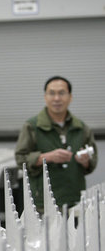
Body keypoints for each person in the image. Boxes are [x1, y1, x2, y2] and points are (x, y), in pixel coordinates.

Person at [15, 76, 98, 212]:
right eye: (52, 93)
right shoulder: (32, 126)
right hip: (43, 202)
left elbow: (92, 161)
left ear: (70, 97)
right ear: (45, 97)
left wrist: (85, 161)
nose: (57, 98)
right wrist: (46, 157)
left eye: (62, 93)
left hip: (75, 200)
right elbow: (20, 159)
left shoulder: (81, 127)